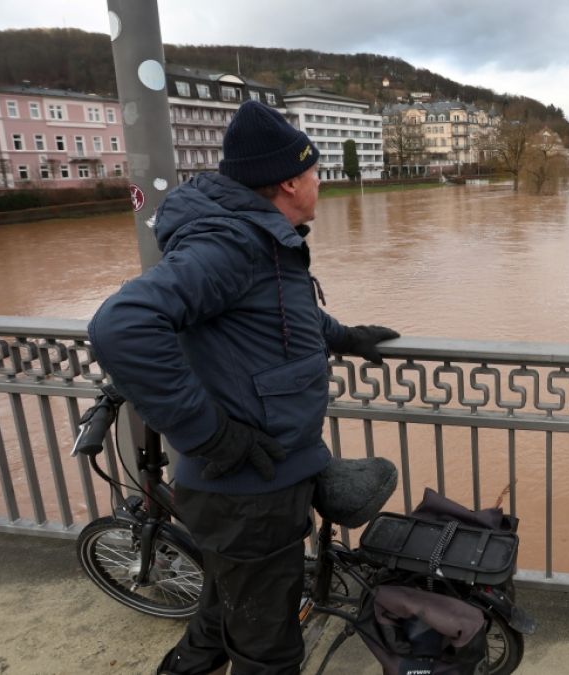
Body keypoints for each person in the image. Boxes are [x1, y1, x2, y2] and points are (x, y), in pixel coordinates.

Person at [87, 99, 400, 674]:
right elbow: (120, 325)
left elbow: (274, 317)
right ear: (287, 182)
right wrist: (210, 435)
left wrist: (344, 335)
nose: (318, 182)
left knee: (227, 601)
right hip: (246, 490)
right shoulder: (230, 244)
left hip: (263, 477)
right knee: (267, 645)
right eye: (312, 172)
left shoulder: (263, 237)